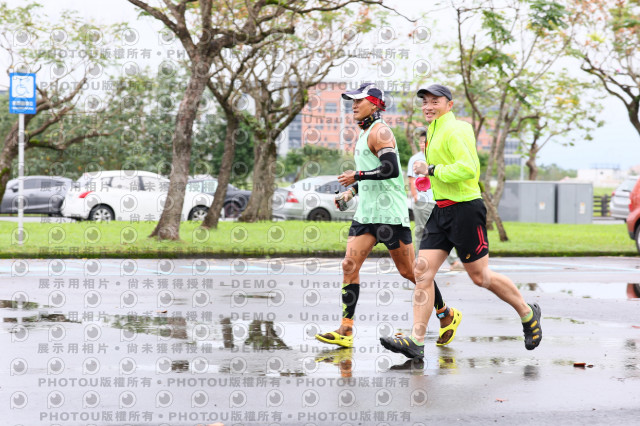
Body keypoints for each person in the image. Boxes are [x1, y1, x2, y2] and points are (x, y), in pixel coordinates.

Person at [380, 84, 541, 359]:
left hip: (466, 210)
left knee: (481, 277)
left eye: (435, 101)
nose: (428, 106)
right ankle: (416, 341)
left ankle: (528, 314)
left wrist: (431, 169)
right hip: (441, 210)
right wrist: (428, 176)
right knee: (422, 273)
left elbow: (469, 169)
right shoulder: (432, 130)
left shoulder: (456, 129)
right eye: (425, 102)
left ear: (449, 105)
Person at [314, 82, 462, 349]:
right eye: (352, 101)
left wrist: (356, 175)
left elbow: (390, 169)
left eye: (359, 101)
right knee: (349, 266)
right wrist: (351, 192)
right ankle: (345, 329)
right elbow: (373, 174)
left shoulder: (381, 131)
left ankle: (446, 314)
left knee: (411, 273)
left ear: (374, 104)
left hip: (389, 214)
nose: (354, 106)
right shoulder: (365, 132)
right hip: (366, 214)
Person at [407, 131, 465, 271]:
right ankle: (419, 262)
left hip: (439, 200)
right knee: (421, 231)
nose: (422, 144)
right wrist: (415, 197)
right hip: (422, 201)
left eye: (425, 142)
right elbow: (411, 179)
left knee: (445, 230)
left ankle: (453, 262)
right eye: (420, 142)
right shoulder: (415, 159)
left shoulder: (438, 157)